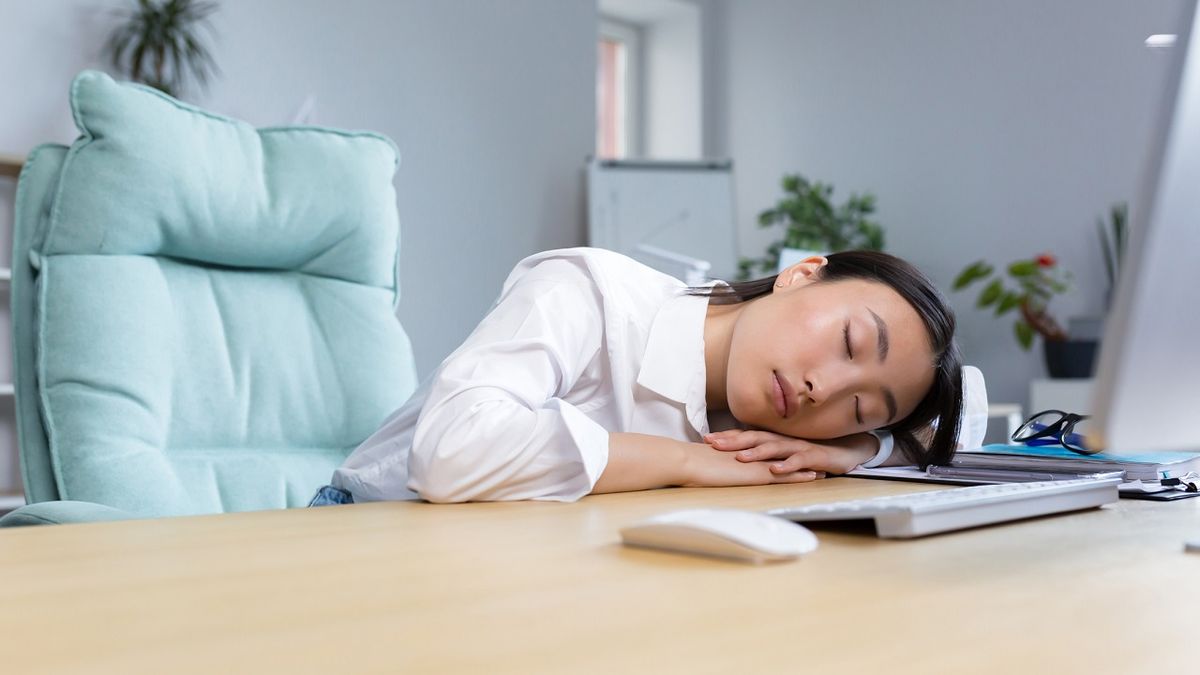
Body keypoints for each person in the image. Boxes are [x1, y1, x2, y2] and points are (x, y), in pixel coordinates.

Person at [309, 247, 964, 506]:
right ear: (801, 272)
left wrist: (853, 446)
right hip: (369, 529)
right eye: (849, 341)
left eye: (858, 406)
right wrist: (679, 461)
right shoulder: (588, 293)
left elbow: (939, 433)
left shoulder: (769, 417)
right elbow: (451, 452)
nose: (826, 389)